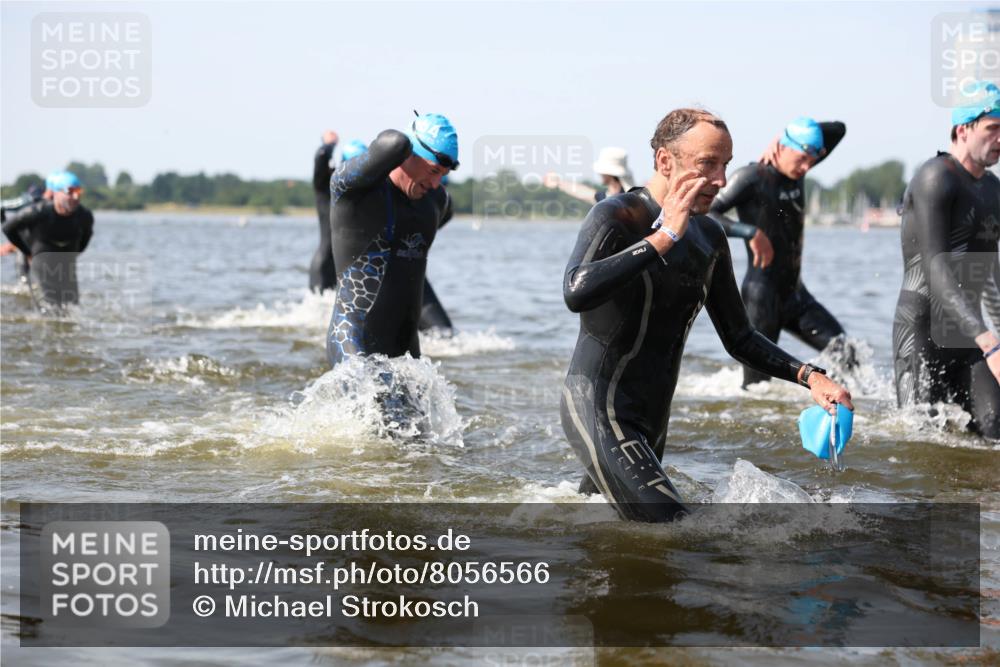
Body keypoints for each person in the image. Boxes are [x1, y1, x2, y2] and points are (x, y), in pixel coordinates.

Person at [560, 108, 853, 522]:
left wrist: (810, 376)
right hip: (597, 406)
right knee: (674, 526)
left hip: (652, 421)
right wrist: (663, 239)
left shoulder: (710, 236)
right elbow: (576, 290)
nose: (720, 180)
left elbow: (740, 337)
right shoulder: (617, 217)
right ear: (665, 161)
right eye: (707, 164)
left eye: (725, 165)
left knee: (608, 524)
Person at [708, 116, 852, 388]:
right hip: (762, 297)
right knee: (757, 388)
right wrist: (749, 232)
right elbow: (707, 212)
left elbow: (839, 130)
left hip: (796, 296)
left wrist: (784, 136)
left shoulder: (798, 168)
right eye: (801, 158)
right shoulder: (752, 177)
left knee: (846, 352)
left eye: (812, 160)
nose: (807, 166)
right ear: (784, 148)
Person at [893, 80, 1000, 439]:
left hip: (969, 336)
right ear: (962, 129)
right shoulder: (936, 177)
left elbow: (991, 273)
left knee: (995, 429)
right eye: (993, 128)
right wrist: (990, 342)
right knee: (923, 445)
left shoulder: (993, 189)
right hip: (922, 333)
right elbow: (936, 267)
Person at [325, 112, 457, 367]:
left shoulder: (436, 202)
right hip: (353, 343)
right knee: (372, 407)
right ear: (407, 154)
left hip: (406, 352)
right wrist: (406, 143)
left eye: (443, 174)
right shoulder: (356, 193)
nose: (435, 183)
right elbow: (392, 141)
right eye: (432, 171)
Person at [1, 171, 94, 309]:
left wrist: (71, 253)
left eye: (78, 191)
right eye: (69, 191)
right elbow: (8, 226)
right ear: (53, 191)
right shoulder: (34, 206)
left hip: (57, 255)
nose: (75, 196)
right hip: (32, 248)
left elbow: (85, 238)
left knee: (72, 307)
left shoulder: (84, 216)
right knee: (41, 301)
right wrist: (25, 249)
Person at [545, 146, 635, 203]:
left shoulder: (623, 198)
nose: (599, 173)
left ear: (608, 173)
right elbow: (585, 193)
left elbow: (587, 194)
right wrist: (559, 182)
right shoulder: (614, 196)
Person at [309, 130, 339, 293]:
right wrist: (329, 144)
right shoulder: (321, 184)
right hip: (323, 267)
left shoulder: (341, 186)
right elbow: (321, 157)